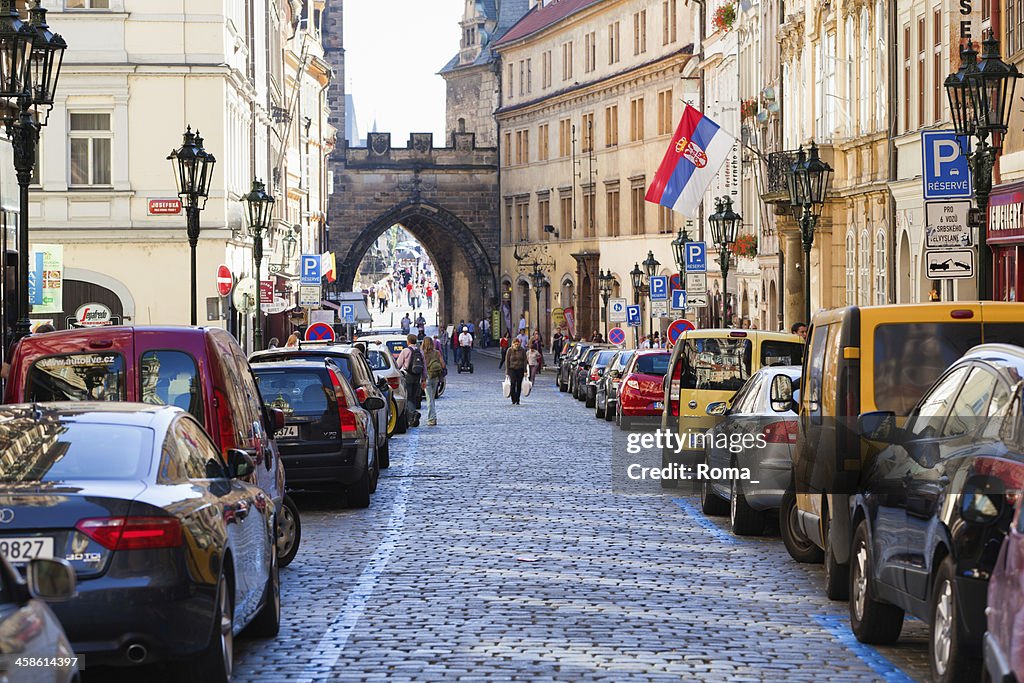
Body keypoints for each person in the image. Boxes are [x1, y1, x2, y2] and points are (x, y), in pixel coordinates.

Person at [396, 334, 424, 412]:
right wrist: (424, 378)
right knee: (414, 396)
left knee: (409, 396)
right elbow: (424, 366)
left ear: (408, 341)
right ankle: (413, 411)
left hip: (408, 375)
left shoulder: (406, 351)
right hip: (417, 376)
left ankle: (411, 414)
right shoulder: (420, 351)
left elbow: (398, 364)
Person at [421, 336, 445, 426]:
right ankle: (433, 417)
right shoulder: (437, 353)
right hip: (435, 377)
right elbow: (443, 365)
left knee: (429, 399)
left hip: (426, 377)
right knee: (432, 398)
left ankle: (432, 419)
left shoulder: (422, 353)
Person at [505, 338, 528, 405]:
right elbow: (507, 361)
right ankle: (513, 399)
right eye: (515, 344)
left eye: (518, 344)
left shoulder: (522, 350)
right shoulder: (509, 350)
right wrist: (507, 372)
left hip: (520, 369)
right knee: (512, 384)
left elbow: (525, 361)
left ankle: (517, 399)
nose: (517, 346)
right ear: (513, 344)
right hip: (512, 369)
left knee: (518, 385)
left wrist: (525, 371)